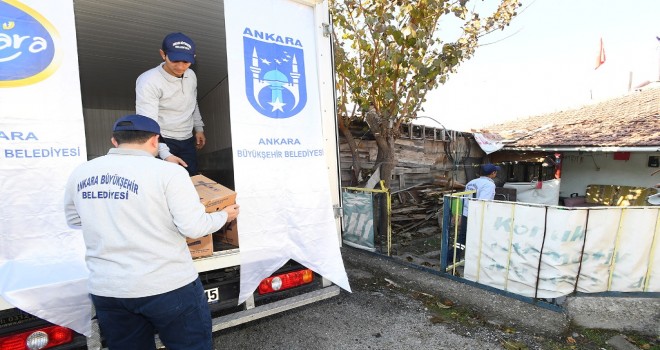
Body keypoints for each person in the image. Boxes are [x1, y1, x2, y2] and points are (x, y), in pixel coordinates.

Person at [64, 114, 239, 350]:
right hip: (168, 285)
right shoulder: (169, 173)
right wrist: (224, 215)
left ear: (114, 141)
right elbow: (194, 227)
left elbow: (75, 219)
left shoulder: (81, 173)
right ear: (155, 141)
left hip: (109, 289)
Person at [136, 32, 205, 176]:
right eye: (175, 60)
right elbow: (148, 123)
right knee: (165, 184)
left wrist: (199, 129)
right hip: (162, 139)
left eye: (186, 62)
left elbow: (193, 102)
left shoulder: (191, 76)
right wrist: (165, 154)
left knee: (190, 181)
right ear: (163, 54)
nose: (180, 67)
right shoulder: (149, 80)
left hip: (187, 138)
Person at [449, 163, 500, 265]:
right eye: (495, 172)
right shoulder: (489, 184)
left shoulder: (472, 182)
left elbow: (465, 198)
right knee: (479, 237)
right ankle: (476, 260)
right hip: (478, 214)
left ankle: (451, 257)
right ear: (493, 173)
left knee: (463, 236)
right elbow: (482, 201)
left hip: (467, 212)